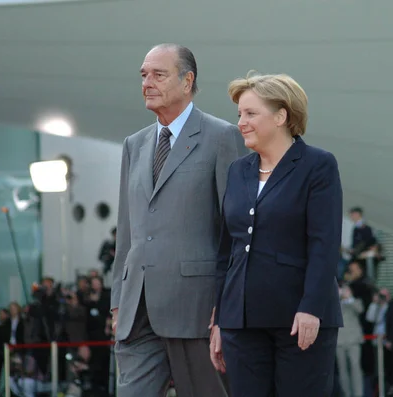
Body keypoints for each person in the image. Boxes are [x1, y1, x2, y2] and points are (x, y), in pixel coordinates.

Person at [110, 43, 246, 397]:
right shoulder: (134, 145)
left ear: (187, 81)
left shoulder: (222, 137)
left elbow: (234, 231)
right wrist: (116, 301)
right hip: (136, 311)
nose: (147, 83)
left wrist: (226, 308)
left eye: (158, 74)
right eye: (143, 75)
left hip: (196, 311)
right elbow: (126, 233)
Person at [210, 71, 343, 396]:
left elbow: (324, 245)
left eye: (251, 113)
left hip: (300, 319)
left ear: (282, 115)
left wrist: (311, 308)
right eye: (239, 113)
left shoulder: (318, 165)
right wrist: (218, 320)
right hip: (240, 322)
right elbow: (226, 252)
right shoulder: (237, 171)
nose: (241, 121)